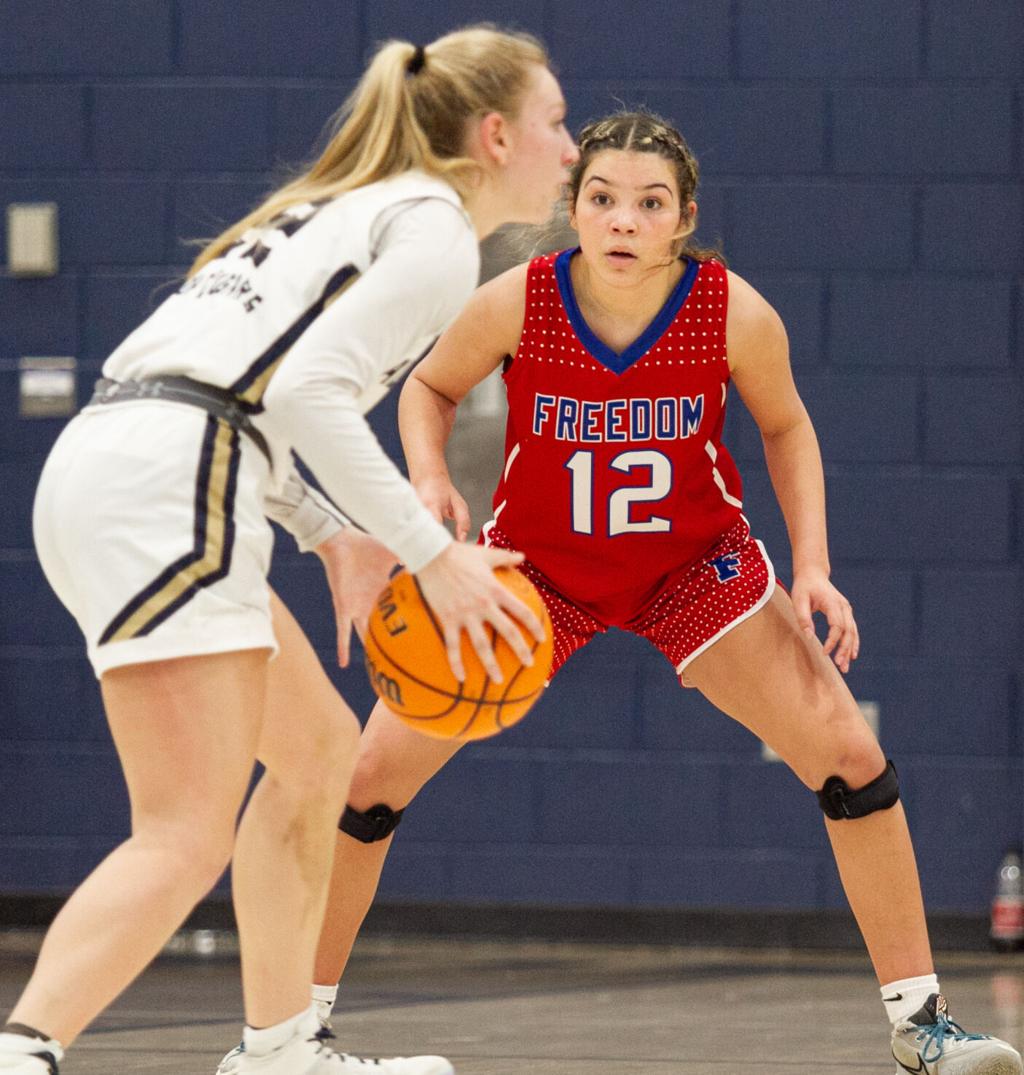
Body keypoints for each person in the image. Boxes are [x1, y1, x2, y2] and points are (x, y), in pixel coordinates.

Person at [232, 111, 1020, 1075]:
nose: (623, 220)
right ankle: (292, 1035)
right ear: (573, 208)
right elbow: (426, 389)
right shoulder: (519, 298)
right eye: (603, 199)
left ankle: (923, 1023)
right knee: (365, 784)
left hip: (693, 567)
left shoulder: (733, 313)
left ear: (682, 218)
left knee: (853, 759)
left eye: (650, 204)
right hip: (537, 572)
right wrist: (429, 477)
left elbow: (788, 428)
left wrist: (811, 565)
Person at [0, 25, 579, 1075]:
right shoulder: (434, 231)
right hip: (174, 480)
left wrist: (328, 534)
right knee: (182, 831)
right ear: (495, 136)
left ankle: (278, 1051)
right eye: (556, 122)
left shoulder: (343, 208)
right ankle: (22, 1051)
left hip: (129, 464)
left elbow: (254, 389)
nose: (571, 149)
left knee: (314, 757)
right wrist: (429, 555)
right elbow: (307, 394)